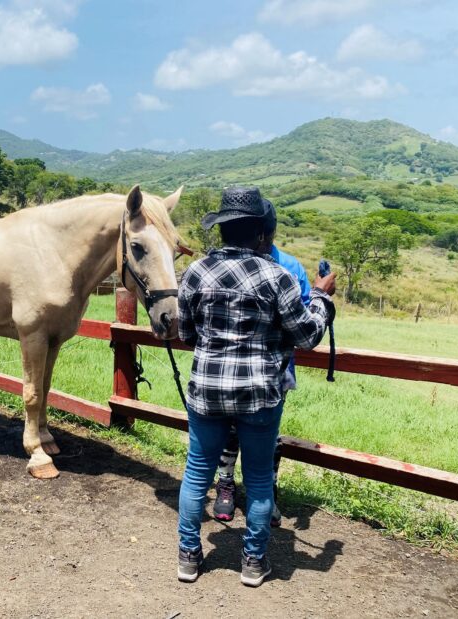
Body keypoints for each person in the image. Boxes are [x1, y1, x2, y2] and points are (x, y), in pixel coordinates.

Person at [176, 186, 336, 587]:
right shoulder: (278, 276)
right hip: (260, 393)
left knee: (197, 473)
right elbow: (306, 336)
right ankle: (252, 562)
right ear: (263, 235)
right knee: (261, 477)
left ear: (223, 230)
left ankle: (189, 558)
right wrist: (321, 298)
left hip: (207, 390)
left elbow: (185, 333)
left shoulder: (195, 273)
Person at [212, 202, 311, 526]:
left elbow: (304, 318)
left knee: (269, 437)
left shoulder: (291, 268)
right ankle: (225, 485)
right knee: (229, 431)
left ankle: (267, 493)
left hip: (275, 373)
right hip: (233, 370)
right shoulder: (230, 265)